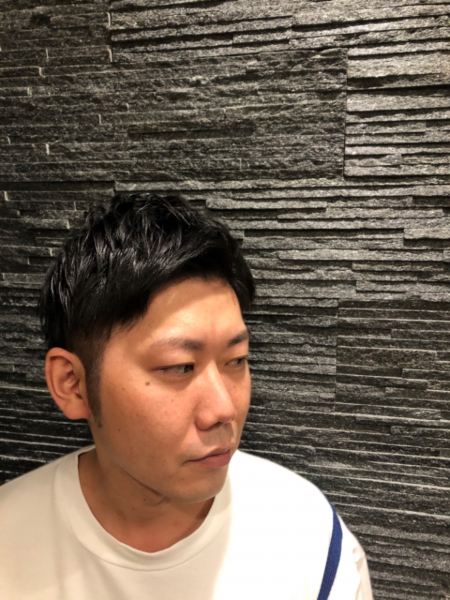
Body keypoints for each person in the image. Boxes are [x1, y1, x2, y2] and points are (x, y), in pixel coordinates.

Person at [0, 193, 372, 600]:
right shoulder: (9, 545)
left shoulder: (309, 542)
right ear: (71, 383)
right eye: (178, 367)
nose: (224, 410)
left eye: (236, 360)